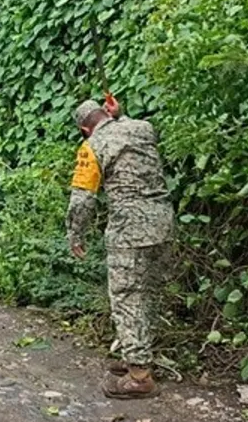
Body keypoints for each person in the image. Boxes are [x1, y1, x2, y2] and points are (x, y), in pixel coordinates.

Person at [67, 96, 173, 400]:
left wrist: (75, 234)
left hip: (129, 231)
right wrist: (120, 116)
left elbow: (83, 199)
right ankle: (137, 355)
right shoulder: (142, 128)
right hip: (163, 223)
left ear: (85, 129)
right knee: (149, 294)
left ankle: (139, 376)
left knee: (127, 298)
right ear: (106, 113)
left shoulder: (91, 146)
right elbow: (127, 129)